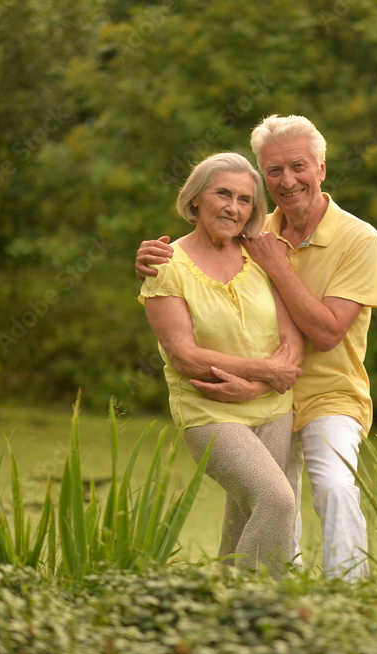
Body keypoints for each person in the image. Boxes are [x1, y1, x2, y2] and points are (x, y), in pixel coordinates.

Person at [137, 116, 377, 580]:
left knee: (330, 487)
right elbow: (185, 305)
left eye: (298, 167)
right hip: (254, 394)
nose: (287, 181)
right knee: (269, 504)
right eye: (274, 171)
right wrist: (146, 258)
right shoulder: (252, 229)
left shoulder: (357, 239)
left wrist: (279, 267)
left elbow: (328, 333)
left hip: (328, 391)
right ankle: (262, 606)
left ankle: (349, 595)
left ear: (321, 169)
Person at [138, 152, 305, 579]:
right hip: (209, 411)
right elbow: (183, 354)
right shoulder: (165, 264)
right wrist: (265, 373)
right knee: (277, 501)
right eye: (223, 194)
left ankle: (226, 609)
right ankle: (254, 612)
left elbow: (290, 340)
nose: (233, 207)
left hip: (272, 411)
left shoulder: (261, 257)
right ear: (196, 200)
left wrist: (258, 387)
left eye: (245, 200)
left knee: (244, 520)